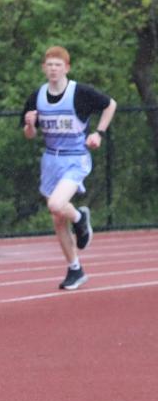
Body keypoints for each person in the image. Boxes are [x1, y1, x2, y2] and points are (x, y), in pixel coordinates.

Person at [22, 46, 116, 290]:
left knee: (56, 204)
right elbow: (30, 135)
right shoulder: (37, 96)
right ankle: (75, 269)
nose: (53, 69)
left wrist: (99, 133)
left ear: (67, 68)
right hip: (50, 159)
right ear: (44, 68)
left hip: (75, 157)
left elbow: (110, 104)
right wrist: (30, 125)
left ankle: (80, 217)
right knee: (56, 218)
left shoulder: (79, 92)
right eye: (49, 65)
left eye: (58, 65)